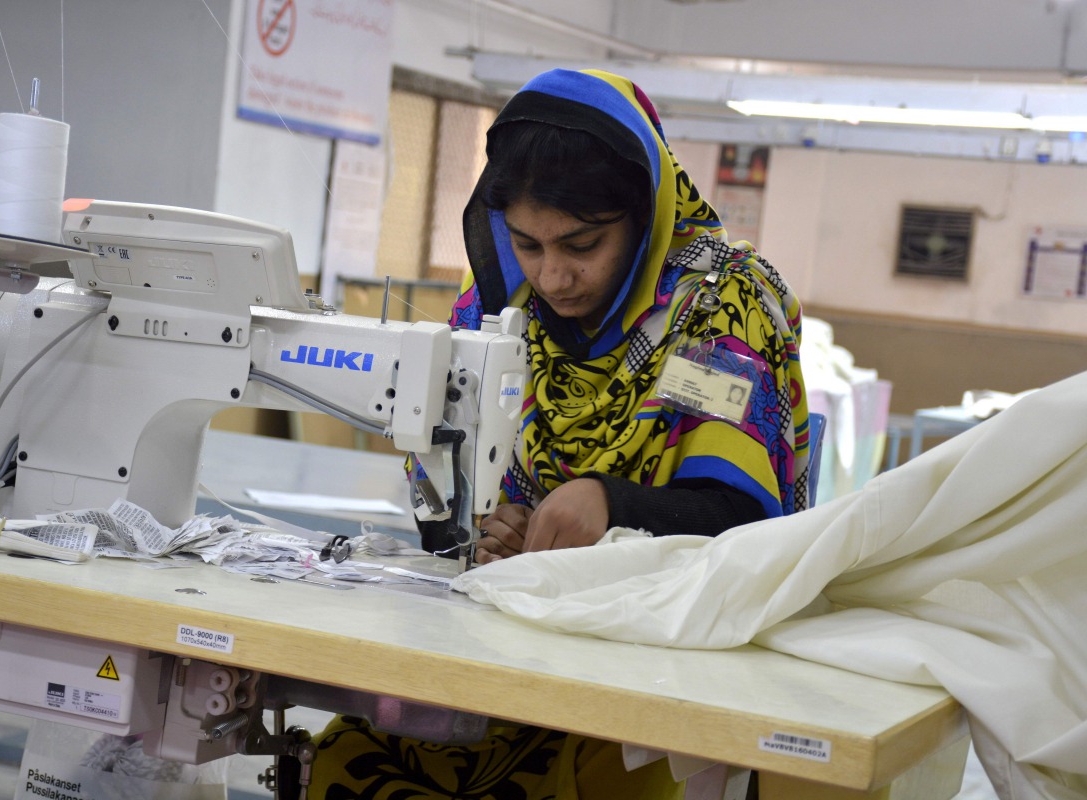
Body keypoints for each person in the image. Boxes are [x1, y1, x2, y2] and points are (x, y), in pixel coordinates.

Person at [308, 68, 811, 800]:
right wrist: (486, 531)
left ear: (643, 214)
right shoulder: (497, 308)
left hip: (658, 676)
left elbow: (745, 523)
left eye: (582, 244)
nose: (553, 276)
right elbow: (445, 482)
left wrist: (609, 502)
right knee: (345, 757)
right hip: (513, 656)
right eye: (527, 242)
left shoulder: (718, 309)